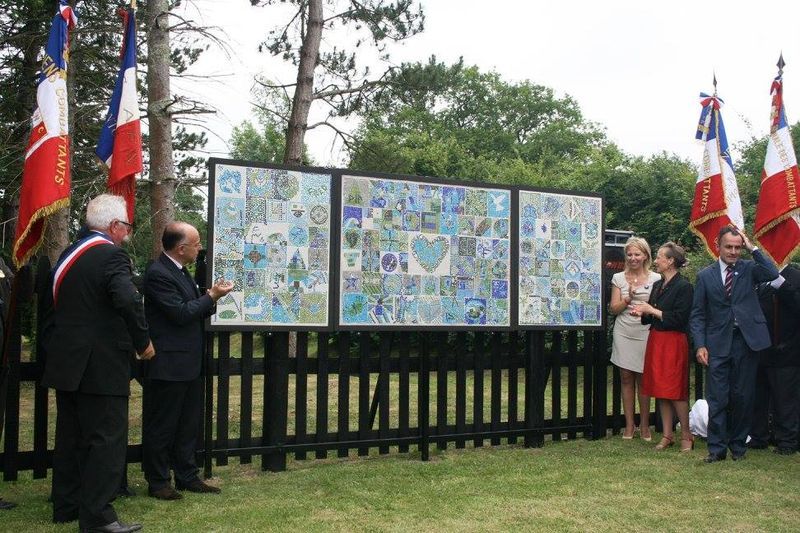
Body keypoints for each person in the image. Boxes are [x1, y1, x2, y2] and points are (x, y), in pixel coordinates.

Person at [40, 194, 154, 533]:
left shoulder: (68, 256)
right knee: (106, 440)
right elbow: (126, 299)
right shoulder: (111, 255)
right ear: (115, 227)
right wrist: (143, 341)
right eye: (127, 227)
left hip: (69, 361)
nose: (128, 234)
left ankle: (67, 505)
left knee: (71, 437)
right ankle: (99, 517)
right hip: (101, 363)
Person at [142, 222, 233, 500]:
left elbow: (194, 311)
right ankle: (158, 481)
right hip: (168, 365)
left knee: (187, 424)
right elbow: (180, 314)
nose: (199, 248)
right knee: (163, 425)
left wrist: (210, 298)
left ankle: (186, 475)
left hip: (188, 363)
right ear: (181, 249)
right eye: (196, 244)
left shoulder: (180, 272)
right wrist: (210, 296)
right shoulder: (158, 274)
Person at [689, 226, 779, 463]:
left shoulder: (749, 269)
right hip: (717, 344)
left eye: (738, 247)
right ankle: (716, 449)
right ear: (718, 245)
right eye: (729, 247)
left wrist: (753, 248)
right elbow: (698, 314)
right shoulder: (705, 276)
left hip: (746, 342)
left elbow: (772, 273)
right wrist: (700, 345)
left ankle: (738, 446)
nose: (733, 252)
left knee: (743, 396)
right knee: (717, 398)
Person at [631, 242, 694, 452]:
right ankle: (668, 435)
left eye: (659, 257)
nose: (655, 261)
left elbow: (680, 318)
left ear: (670, 261)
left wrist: (652, 310)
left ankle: (686, 434)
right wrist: (643, 312)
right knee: (661, 389)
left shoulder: (684, 286)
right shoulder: (658, 285)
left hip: (674, 341)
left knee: (676, 390)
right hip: (657, 339)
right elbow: (653, 313)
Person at [609, 236, 660, 440]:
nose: (632, 258)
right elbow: (614, 309)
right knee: (626, 377)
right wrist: (628, 298)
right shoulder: (618, 278)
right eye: (629, 254)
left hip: (646, 331)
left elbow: (659, 308)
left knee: (644, 379)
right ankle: (630, 425)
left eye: (637, 254)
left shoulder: (657, 278)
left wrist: (646, 310)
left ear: (645, 255)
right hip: (624, 331)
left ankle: (645, 425)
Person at [751, 264, 800, 455]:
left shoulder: (794, 276)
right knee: (758, 397)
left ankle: (787, 441)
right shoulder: (759, 275)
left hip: (786, 351)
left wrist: (782, 284)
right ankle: (759, 437)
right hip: (760, 348)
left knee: (785, 400)